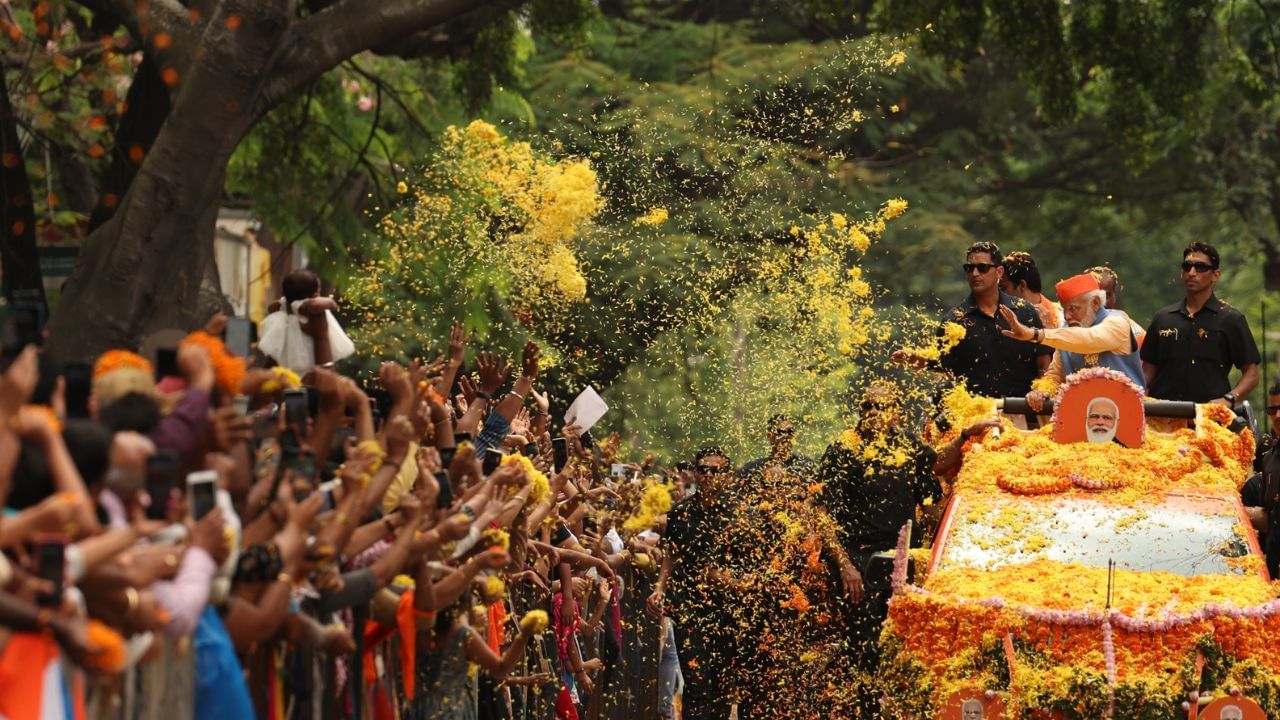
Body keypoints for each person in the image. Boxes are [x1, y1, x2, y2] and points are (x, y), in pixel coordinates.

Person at [646, 448, 750, 719]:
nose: (708, 475)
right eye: (703, 469)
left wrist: (727, 581)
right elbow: (671, 554)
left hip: (728, 612)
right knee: (696, 684)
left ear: (726, 476)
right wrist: (659, 588)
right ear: (694, 473)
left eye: (715, 470)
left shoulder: (740, 515)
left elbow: (752, 571)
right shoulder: (680, 513)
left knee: (722, 686)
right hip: (688, 609)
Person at [896, 242, 1052, 398]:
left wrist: (1040, 391)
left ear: (999, 272)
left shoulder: (1024, 310)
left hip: (1025, 411)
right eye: (969, 268)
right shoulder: (954, 321)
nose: (975, 273)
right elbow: (945, 366)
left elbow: (1044, 358)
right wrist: (920, 360)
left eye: (982, 268)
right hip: (978, 414)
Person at [999, 273, 1146, 411]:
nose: (1067, 316)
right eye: (1064, 310)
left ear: (1095, 303)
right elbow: (1055, 375)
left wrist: (1034, 334)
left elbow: (1088, 339)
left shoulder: (1117, 323)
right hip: (1082, 420)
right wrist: (1042, 391)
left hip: (1126, 417)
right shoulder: (1066, 332)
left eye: (1073, 309)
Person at [1141, 242, 1261, 404]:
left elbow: (1252, 374)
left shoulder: (1230, 319)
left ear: (1215, 275)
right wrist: (1135, 395)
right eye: (1187, 266)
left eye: (1200, 267)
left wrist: (1230, 399)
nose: (1192, 272)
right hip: (1161, 417)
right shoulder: (1163, 318)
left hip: (1210, 418)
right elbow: (1147, 372)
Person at [258, 269, 357, 374]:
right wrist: (331, 303)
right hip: (306, 342)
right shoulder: (305, 305)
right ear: (314, 295)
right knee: (308, 359)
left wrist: (280, 307)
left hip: (289, 341)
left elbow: (271, 308)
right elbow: (316, 305)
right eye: (318, 291)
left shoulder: (286, 303)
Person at [1242, 381, 1280, 577]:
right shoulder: (1270, 458)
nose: (1277, 416)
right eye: (1273, 409)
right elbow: (1270, 514)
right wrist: (1239, 515)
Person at [738, 414, 815, 489]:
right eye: (781, 432)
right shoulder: (753, 469)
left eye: (790, 431)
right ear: (770, 436)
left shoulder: (806, 466)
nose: (786, 435)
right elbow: (736, 498)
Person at [1085, 265, 1145, 346]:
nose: (1103, 302)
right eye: (1095, 297)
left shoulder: (1133, 332)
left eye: (1107, 295)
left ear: (1114, 296)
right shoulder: (1070, 331)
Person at [1001, 251, 1062, 329]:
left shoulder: (1064, 317)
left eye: (1003, 288)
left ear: (1022, 285)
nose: (999, 294)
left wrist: (1048, 331)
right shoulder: (999, 319)